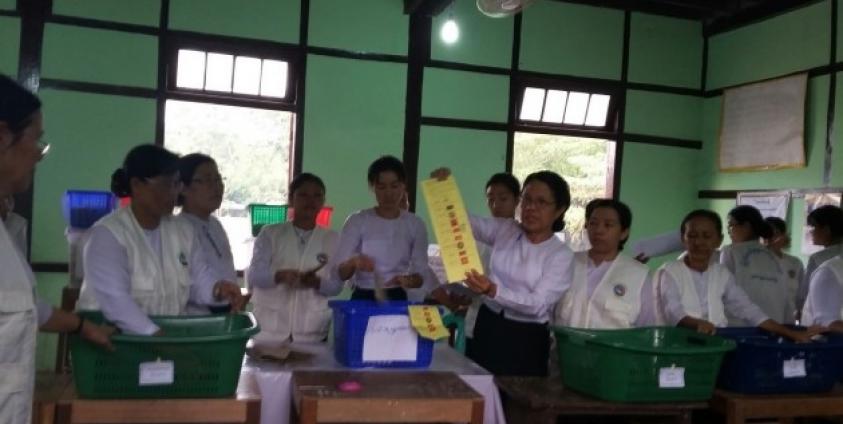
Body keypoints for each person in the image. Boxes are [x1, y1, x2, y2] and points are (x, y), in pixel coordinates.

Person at [0, 74, 113, 422]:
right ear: (2, 136)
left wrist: (80, 326)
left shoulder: (8, 227)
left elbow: (24, 308)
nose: (40, 154)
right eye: (37, 140)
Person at [77, 144, 246, 335]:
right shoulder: (108, 234)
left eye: (177, 184)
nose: (175, 192)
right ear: (137, 185)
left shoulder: (183, 231)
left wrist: (218, 289)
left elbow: (199, 279)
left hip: (164, 339)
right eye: (167, 184)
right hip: (114, 343)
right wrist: (157, 336)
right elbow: (116, 302)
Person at [431, 167, 574, 376]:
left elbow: (538, 304)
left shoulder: (560, 254)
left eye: (541, 202)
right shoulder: (507, 229)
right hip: (488, 323)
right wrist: (444, 191)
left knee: (518, 394)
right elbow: (464, 223)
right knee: (480, 386)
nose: (531, 208)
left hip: (526, 337)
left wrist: (493, 290)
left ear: (559, 209)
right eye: (527, 199)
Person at [657, 210, 813, 342]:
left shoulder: (721, 273)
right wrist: (698, 324)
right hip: (676, 346)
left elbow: (748, 309)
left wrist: (790, 333)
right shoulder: (669, 271)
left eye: (706, 236)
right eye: (692, 236)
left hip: (713, 348)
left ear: (718, 240)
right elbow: (673, 311)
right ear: (683, 239)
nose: (698, 242)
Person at [248, 173, 340, 343]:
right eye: (303, 195)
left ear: (323, 201)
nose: (310, 201)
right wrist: (280, 276)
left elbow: (336, 287)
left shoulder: (333, 238)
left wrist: (317, 282)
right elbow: (255, 276)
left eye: (317, 196)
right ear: (291, 199)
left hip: (312, 332)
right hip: (269, 331)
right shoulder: (270, 233)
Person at [332, 156, 430, 301]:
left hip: (397, 295)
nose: (388, 194)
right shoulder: (357, 221)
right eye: (382, 187)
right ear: (372, 187)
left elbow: (421, 276)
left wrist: (408, 280)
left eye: (394, 186)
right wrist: (353, 262)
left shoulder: (415, 224)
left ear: (403, 186)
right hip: (363, 295)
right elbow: (340, 273)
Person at [553, 199, 655, 328]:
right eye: (593, 223)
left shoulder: (639, 275)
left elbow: (647, 328)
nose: (598, 230)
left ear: (624, 233)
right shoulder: (566, 263)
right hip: (564, 341)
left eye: (608, 225)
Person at [176, 153, 237, 313]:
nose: (216, 186)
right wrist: (217, 290)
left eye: (218, 179)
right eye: (206, 180)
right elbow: (186, 281)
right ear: (183, 188)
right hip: (196, 318)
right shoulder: (178, 228)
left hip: (225, 312)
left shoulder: (215, 224)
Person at [720, 205, 794, 323]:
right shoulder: (775, 257)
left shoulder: (730, 251)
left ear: (746, 226)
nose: (729, 230)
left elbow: (723, 291)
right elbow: (787, 299)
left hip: (740, 325)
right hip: (774, 325)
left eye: (731, 225)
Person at [801, 205, 843, 311]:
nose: (811, 232)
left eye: (814, 227)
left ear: (826, 230)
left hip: (823, 314)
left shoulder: (817, 259)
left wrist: (799, 309)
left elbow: (805, 294)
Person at [762, 216, 804, 319]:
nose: (770, 238)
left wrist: (800, 311)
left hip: (788, 318)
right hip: (762, 318)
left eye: (775, 233)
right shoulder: (755, 261)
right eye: (766, 234)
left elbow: (801, 294)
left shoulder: (795, 263)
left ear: (784, 236)